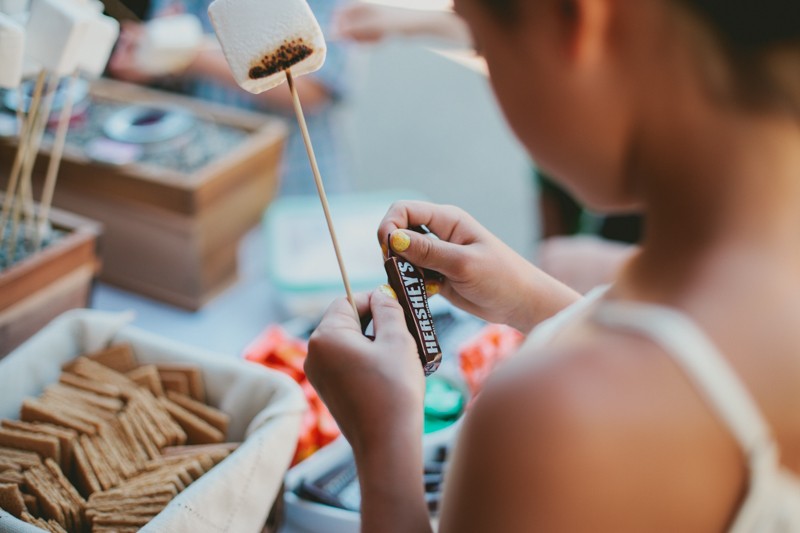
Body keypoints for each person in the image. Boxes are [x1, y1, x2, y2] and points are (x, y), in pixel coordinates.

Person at [305, 0, 800, 531]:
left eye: (480, 43)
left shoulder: (546, 425)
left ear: (577, 18)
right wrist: (535, 303)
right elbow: (687, 374)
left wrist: (382, 447)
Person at [108, 0, 351, 196]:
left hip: (295, 175)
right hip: (214, 168)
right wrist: (148, 55)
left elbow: (314, 89)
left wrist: (191, 56)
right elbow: (169, 40)